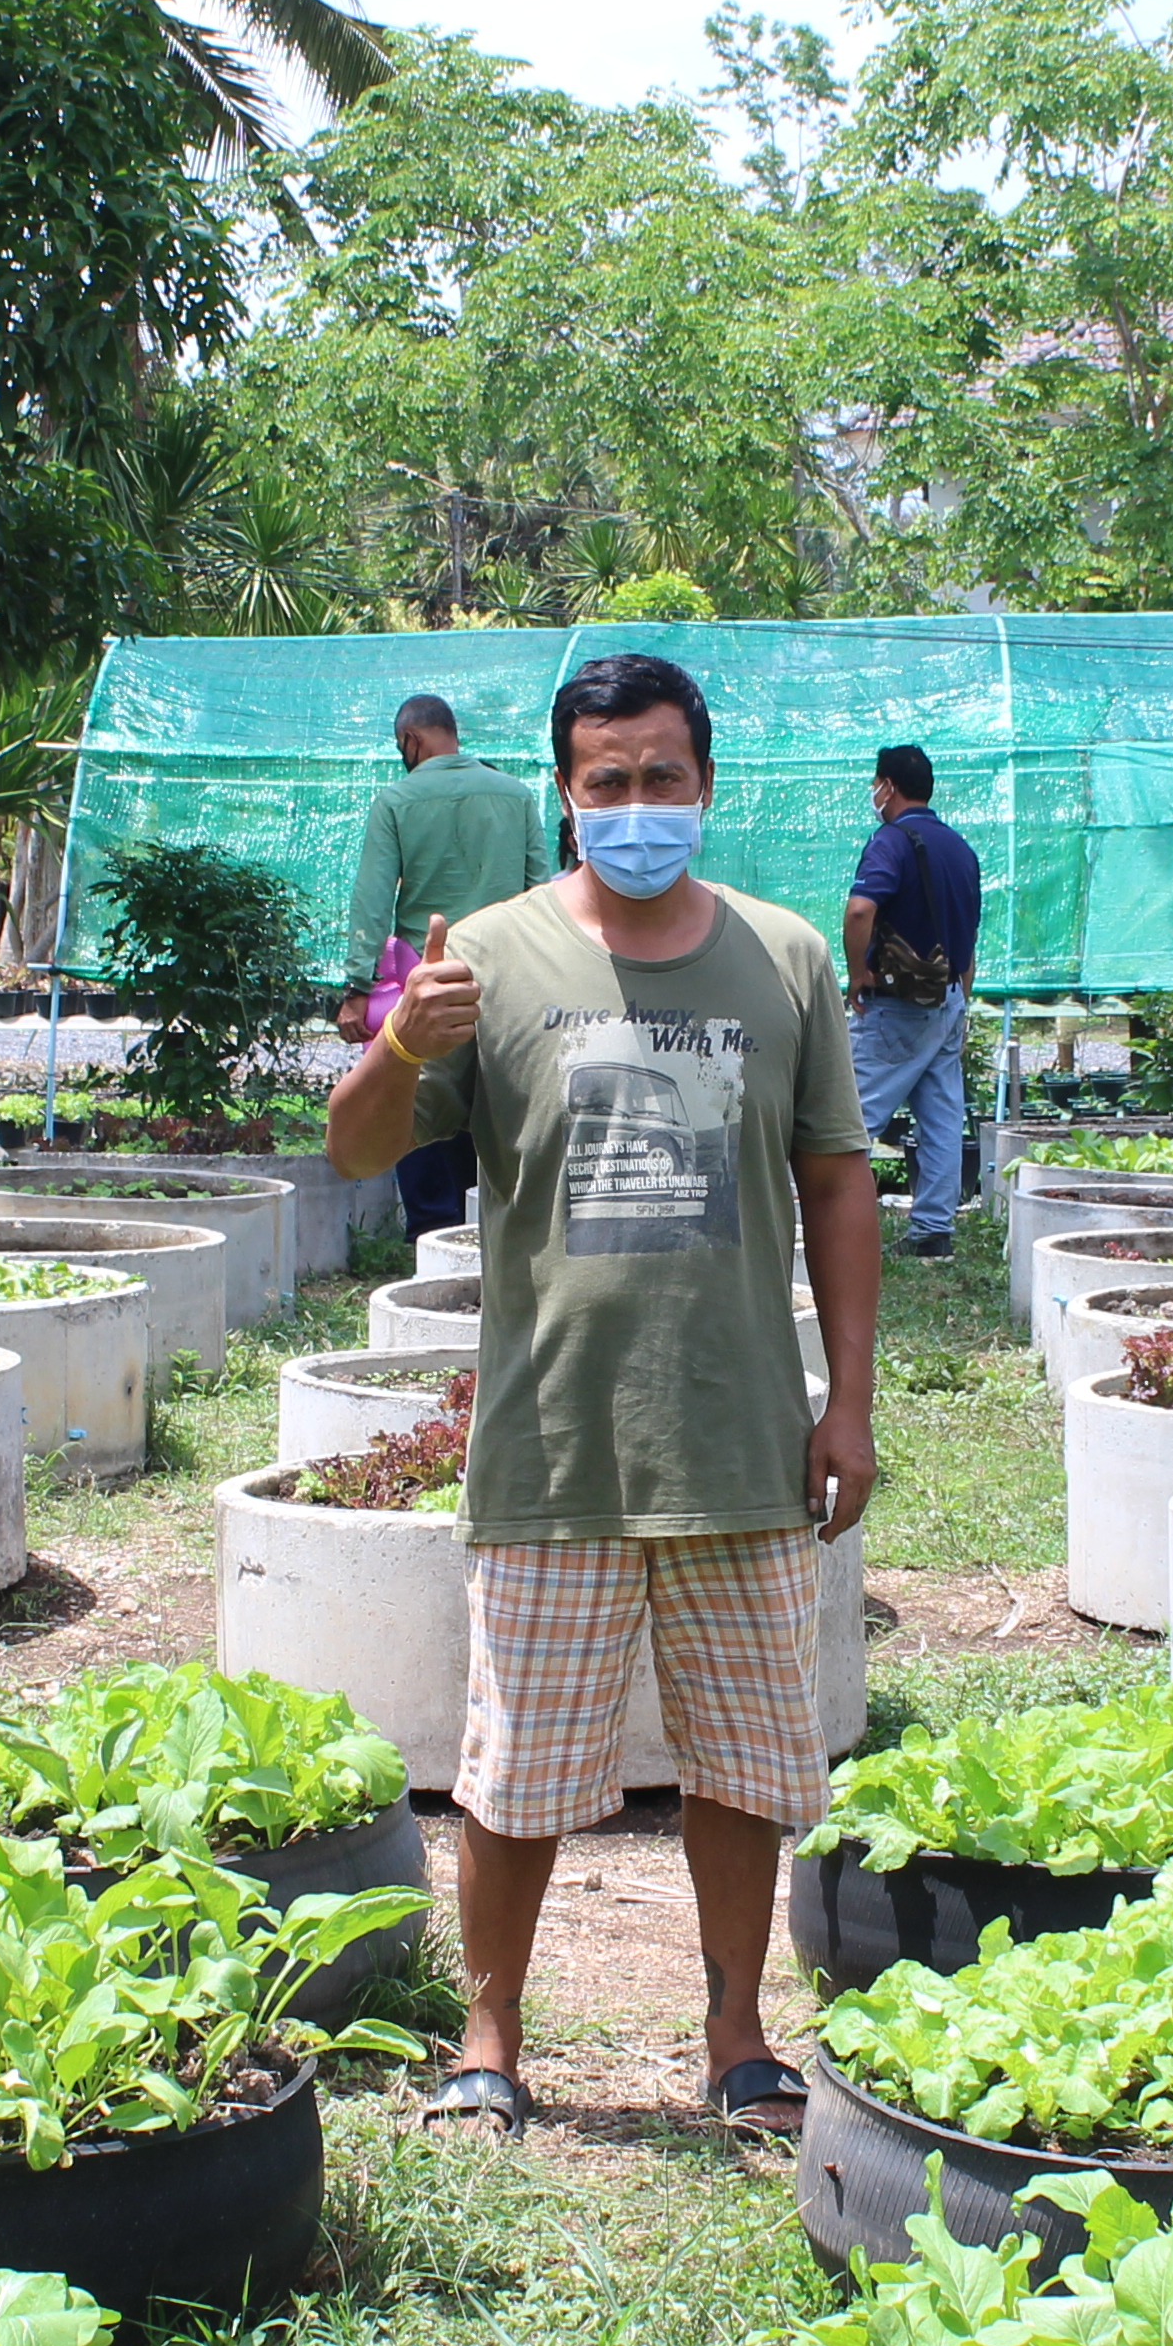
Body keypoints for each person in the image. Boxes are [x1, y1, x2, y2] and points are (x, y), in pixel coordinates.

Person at [325, 650, 878, 2142]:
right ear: (568, 798)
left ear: (707, 785)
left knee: (743, 1759)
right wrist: (398, 1040)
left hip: (740, 1428)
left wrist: (851, 1402)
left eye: (663, 780)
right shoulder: (487, 957)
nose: (638, 806)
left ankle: (738, 2033)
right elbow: (356, 1151)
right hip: (554, 1435)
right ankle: (490, 2040)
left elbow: (835, 1180)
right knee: (517, 1766)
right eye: (607, 784)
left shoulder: (783, 959)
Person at [335, 693, 534, 1237]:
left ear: (411, 741)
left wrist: (358, 986)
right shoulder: (516, 796)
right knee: (495, 1105)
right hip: (508, 983)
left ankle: (431, 1236)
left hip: (426, 985)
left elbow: (373, 900)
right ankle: (489, 1231)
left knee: (415, 1096)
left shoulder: (397, 801)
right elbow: (544, 889)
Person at [841, 742, 983, 1257]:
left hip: (897, 1003)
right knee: (943, 1118)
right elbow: (968, 933)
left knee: (850, 1117)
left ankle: (830, 1229)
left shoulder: (892, 840)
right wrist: (959, 998)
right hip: (948, 999)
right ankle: (932, 1233)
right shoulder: (960, 849)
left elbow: (861, 912)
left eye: (876, 785)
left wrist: (859, 973)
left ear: (889, 787)